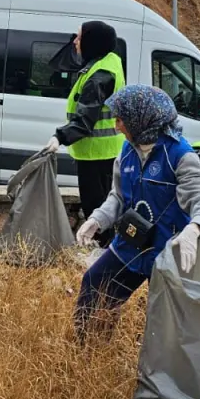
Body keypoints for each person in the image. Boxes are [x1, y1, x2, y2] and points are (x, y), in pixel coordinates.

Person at [72, 85, 200, 341]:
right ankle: (88, 353)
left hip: (166, 252)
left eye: (121, 119)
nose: (116, 126)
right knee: (95, 287)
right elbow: (117, 196)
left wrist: (194, 230)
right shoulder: (127, 151)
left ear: (141, 119)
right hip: (130, 244)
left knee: (166, 322)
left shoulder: (180, 155)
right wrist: (97, 219)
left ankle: (157, 376)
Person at [45, 21, 125, 241]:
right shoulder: (108, 62)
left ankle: (102, 256)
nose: (75, 42)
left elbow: (85, 119)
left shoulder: (100, 76)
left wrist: (59, 137)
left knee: (97, 210)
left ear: (93, 42)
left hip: (96, 155)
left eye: (80, 38)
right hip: (103, 153)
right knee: (105, 207)